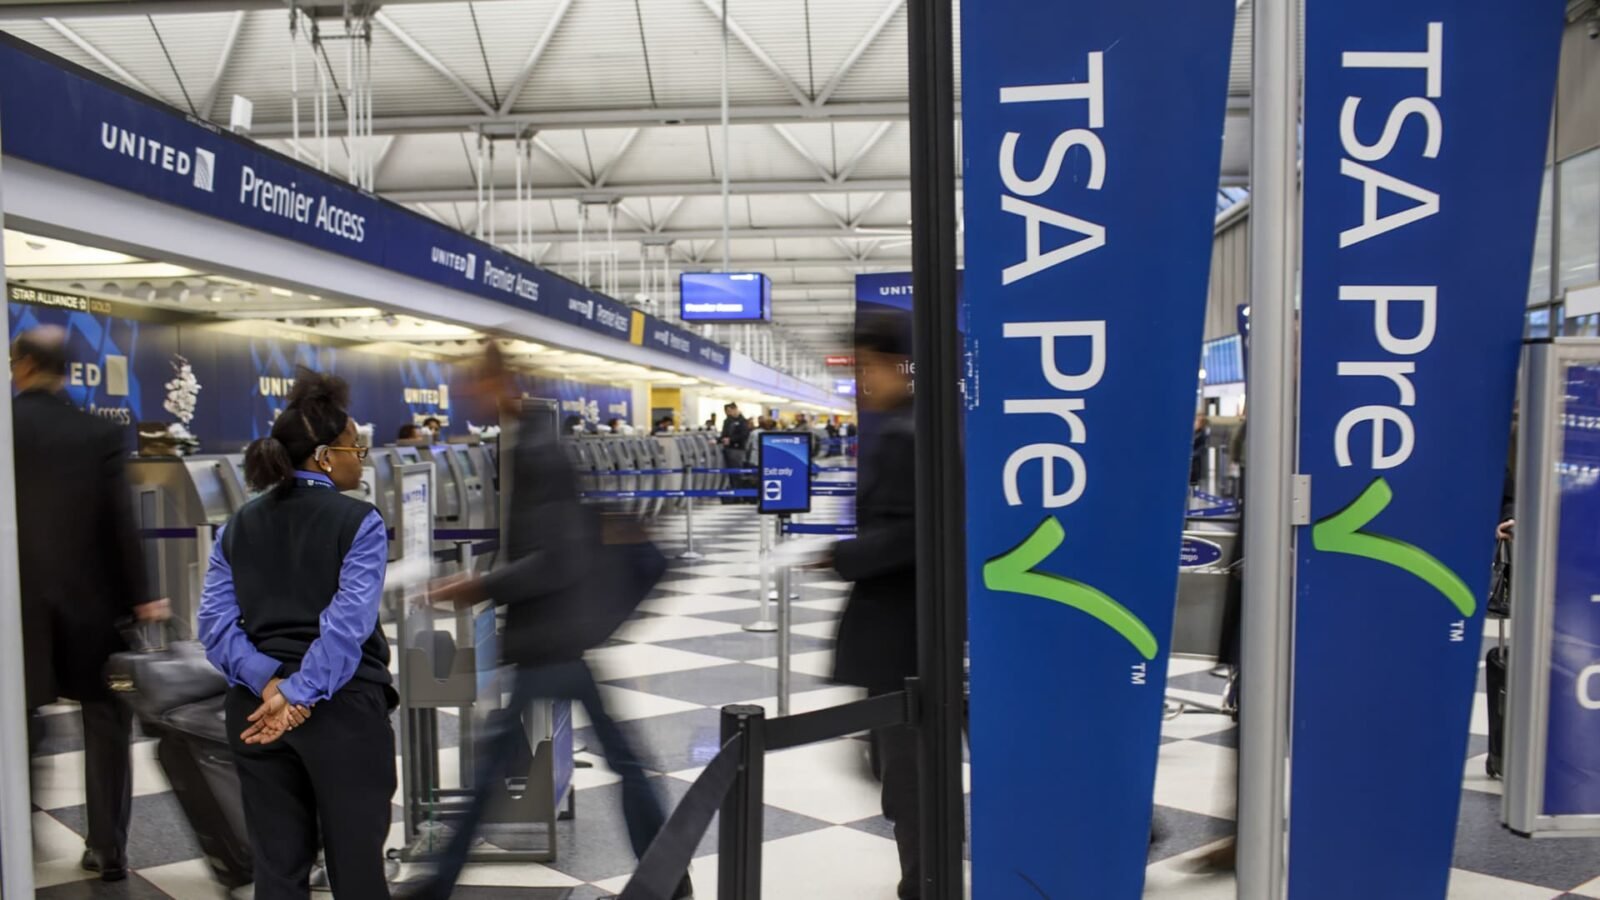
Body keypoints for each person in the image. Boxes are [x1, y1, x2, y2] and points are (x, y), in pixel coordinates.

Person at [407, 344, 689, 900]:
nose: (471, 395)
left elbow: (556, 559)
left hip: (551, 635)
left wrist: (479, 586)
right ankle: (670, 876)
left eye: (476, 384)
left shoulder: (538, 451)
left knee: (505, 769)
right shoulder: (528, 443)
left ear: (500, 383)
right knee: (614, 758)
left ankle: (437, 885)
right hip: (558, 635)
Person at [197, 369, 396, 900]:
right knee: (356, 869)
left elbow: (214, 627)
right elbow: (346, 627)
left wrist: (268, 684)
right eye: (357, 447)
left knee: (278, 870)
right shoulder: (359, 521)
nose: (362, 456)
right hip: (342, 712)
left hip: (254, 714)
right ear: (326, 456)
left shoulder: (237, 525)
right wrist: (297, 692)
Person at [13, 326, 167, 882]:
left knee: (20, 722)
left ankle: (15, 843)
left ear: (22, 365)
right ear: (64, 371)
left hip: (19, 612)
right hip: (93, 609)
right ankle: (108, 848)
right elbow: (121, 523)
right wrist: (143, 596)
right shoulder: (97, 433)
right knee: (105, 721)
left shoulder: (7, 429)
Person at [822, 314, 919, 899]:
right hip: (906, 632)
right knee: (903, 767)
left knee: (906, 773)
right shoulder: (906, 428)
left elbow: (911, 536)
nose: (861, 381)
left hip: (902, 634)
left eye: (864, 368)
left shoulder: (904, 436)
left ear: (890, 366)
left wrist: (845, 555)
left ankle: (922, 882)